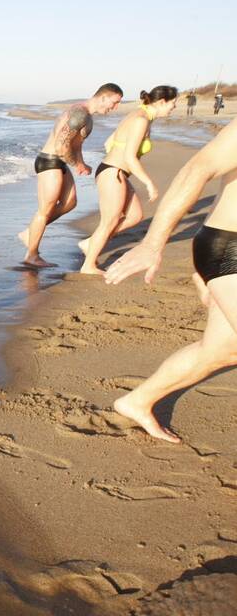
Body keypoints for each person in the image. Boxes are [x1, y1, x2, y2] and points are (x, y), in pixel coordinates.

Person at [105, 118, 237, 443]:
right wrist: (153, 244)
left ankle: (137, 401)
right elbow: (198, 169)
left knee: (223, 350)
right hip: (232, 250)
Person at [17, 83, 124, 267]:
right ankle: (31, 255)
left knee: (70, 202)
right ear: (103, 97)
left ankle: (30, 232)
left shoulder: (87, 116)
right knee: (44, 211)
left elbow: (76, 144)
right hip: (49, 162)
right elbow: (61, 145)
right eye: (114, 103)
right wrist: (77, 164)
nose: (114, 108)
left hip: (59, 162)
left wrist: (81, 162)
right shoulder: (79, 113)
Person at [79, 86, 177, 274]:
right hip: (112, 173)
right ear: (162, 101)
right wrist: (148, 183)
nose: (174, 107)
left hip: (117, 172)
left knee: (135, 216)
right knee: (109, 221)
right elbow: (130, 157)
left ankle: (92, 242)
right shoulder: (140, 119)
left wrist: (119, 162)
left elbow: (109, 142)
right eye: (173, 103)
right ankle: (88, 265)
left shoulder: (142, 117)